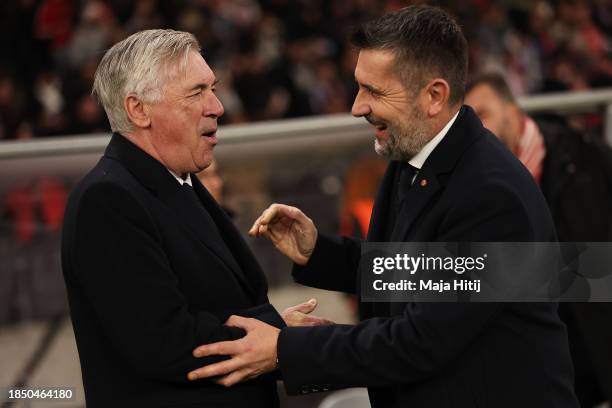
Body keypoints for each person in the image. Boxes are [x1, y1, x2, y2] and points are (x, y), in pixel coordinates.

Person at [186, 6, 579, 408]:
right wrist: (319, 252)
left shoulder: (491, 195)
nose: (357, 107)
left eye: (374, 91)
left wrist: (287, 349)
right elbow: (421, 272)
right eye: (359, 87)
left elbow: (419, 341)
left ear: (434, 95)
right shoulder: (413, 156)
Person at [61, 29, 326, 408]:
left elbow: (216, 309)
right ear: (138, 109)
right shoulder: (108, 199)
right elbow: (163, 341)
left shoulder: (178, 180)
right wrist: (278, 335)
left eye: (213, 89)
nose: (217, 106)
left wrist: (276, 336)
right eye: (197, 92)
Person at [465, 72, 612, 407]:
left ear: (514, 113)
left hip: (595, 353)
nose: (474, 130)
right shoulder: (472, 188)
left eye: (482, 114)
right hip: (534, 374)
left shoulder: (584, 157)